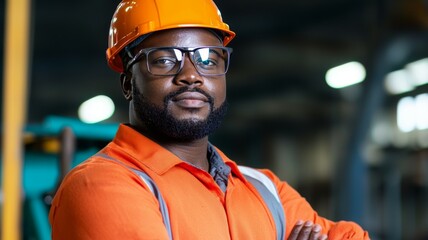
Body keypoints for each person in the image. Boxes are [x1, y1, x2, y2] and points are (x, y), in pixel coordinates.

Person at [49, 0, 370, 239]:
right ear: (128, 83)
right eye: (164, 60)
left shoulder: (264, 189)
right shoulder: (101, 186)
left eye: (208, 59)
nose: (191, 76)